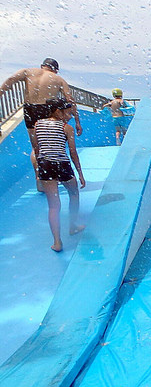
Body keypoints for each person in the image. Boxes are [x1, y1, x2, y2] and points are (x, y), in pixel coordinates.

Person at [0, 58, 83, 191]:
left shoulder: (27, 71)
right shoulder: (58, 79)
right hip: (47, 110)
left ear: (42, 66)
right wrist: (77, 121)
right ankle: (57, 175)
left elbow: (10, 80)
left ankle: (40, 178)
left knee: (36, 148)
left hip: (30, 110)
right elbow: (70, 100)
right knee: (51, 146)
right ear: (55, 69)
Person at [32, 98, 86, 252]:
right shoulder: (66, 128)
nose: (69, 116)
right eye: (67, 112)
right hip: (61, 164)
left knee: (54, 206)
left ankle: (57, 242)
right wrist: (80, 173)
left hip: (45, 164)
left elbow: (37, 148)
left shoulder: (37, 124)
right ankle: (73, 226)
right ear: (57, 111)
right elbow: (73, 152)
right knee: (74, 193)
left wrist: (40, 168)